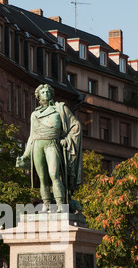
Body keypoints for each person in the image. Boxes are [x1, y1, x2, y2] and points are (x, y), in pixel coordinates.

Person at [16, 84, 82, 213]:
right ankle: (46, 205)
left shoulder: (60, 109)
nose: (45, 94)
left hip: (52, 143)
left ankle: (61, 205)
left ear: (51, 94)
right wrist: (25, 154)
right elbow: (31, 135)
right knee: (42, 178)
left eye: (47, 92)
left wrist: (67, 139)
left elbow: (76, 126)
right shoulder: (34, 114)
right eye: (43, 92)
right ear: (38, 96)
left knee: (54, 174)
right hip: (37, 144)